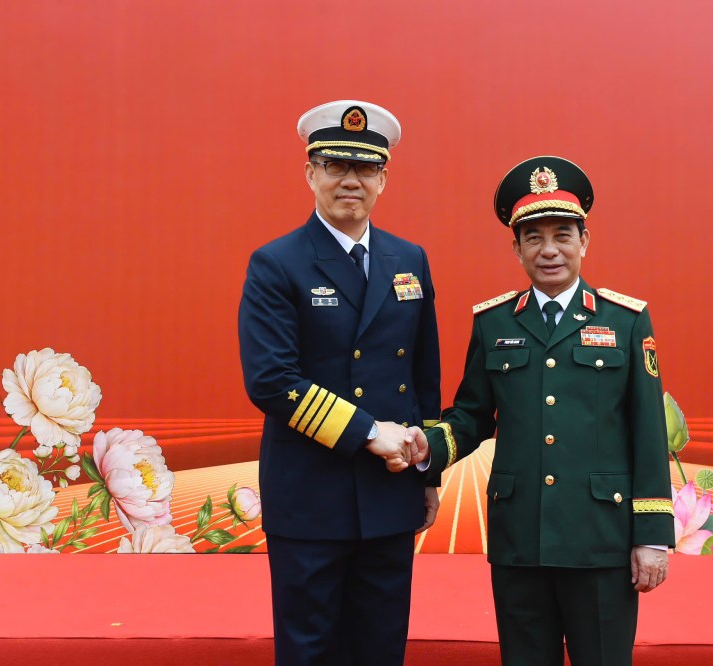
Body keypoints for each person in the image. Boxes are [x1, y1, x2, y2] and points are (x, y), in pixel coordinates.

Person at [420, 156, 674, 666]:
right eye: (533, 238)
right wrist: (427, 450)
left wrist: (652, 537)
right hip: (520, 538)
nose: (550, 250)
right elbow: (472, 415)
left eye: (563, 235)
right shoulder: (493, 323)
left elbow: (648, 431)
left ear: (585, 241)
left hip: (600, 538)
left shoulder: (625, 320)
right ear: (516, 249)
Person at [238, 99, 441, 666]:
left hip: (391, 490)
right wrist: (370, 432)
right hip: (311, 495)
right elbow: (272, 380)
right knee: (309, 650)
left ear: (383, 179)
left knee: (380, 647)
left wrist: (429, 473)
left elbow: (423, 376)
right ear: (311, 174)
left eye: (366, 168)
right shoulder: (277, 263)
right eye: (335, 165)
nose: (351, 180)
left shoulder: (410, 259)